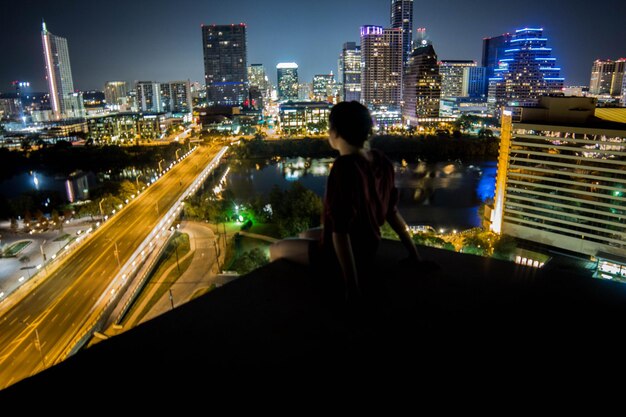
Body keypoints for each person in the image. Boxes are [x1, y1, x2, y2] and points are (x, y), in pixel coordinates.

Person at [269, 101, 422, 300]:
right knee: (305, 233)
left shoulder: (344, 168)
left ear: (335, 132)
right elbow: (392, 212)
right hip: (370, 244)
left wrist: (352, 287)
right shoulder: (380, 160)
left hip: (345, 254)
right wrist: (414, 255)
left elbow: (340, 232)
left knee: (276, 249)